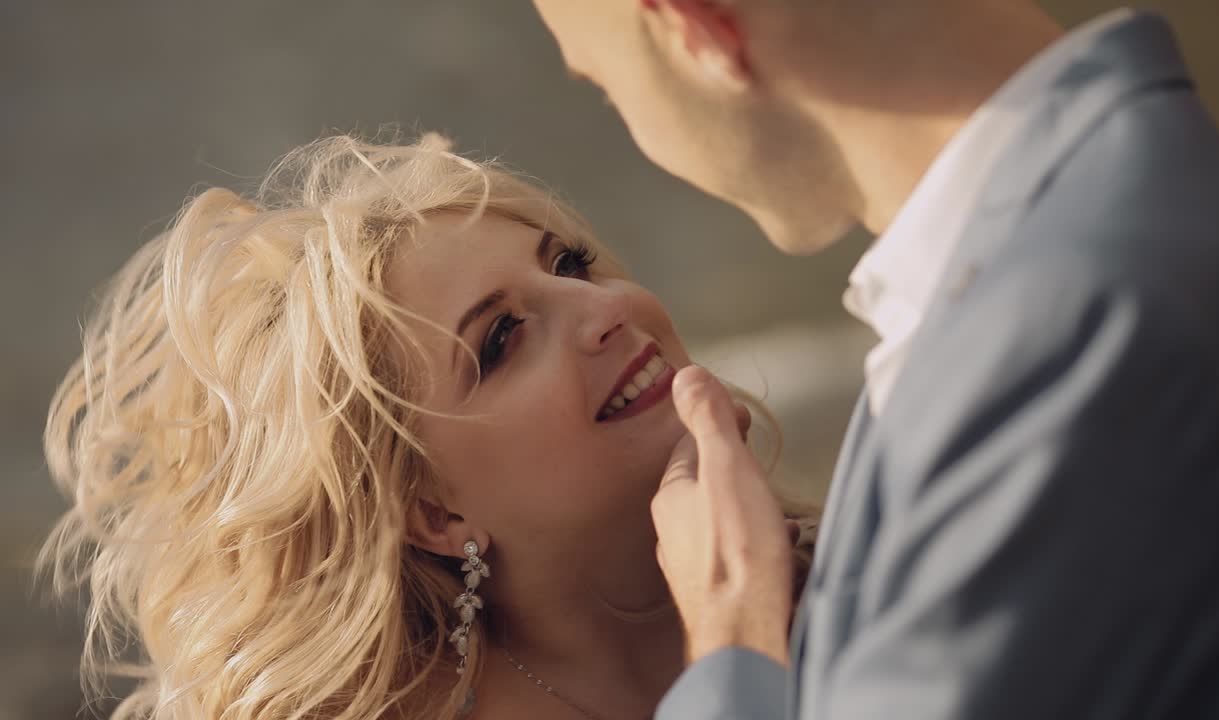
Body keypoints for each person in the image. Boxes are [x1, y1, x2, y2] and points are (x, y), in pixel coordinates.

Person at [531, 1, 1219, 718]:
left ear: (698, 27)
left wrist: (732, 637)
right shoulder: (1049, 278)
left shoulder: (1064, 331)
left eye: (605, 86)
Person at [39, 134, 817, 720]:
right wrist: (737, 641)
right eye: (503, 339)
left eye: (570, 266)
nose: (608, 307)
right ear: (433, 514)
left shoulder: (870, 554)